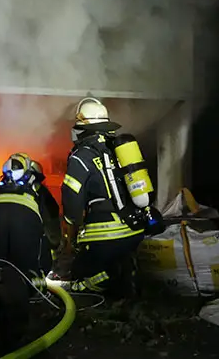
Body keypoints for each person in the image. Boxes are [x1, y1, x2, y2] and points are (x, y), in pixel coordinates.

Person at [60, 97, 157, 297]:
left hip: (105, 236)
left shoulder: (81, 156)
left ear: (82, 126)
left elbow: (71, 195)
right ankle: (126, 274)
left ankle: (114, 275)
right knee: (115, 266)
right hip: (135, 230)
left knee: (79, 277)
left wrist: (72, 223)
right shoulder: (120, 149)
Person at [0, 152, 61, 279]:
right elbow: (51, 217)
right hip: (25, 222)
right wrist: (54, 248)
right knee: (27, 272)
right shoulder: (37, 190)